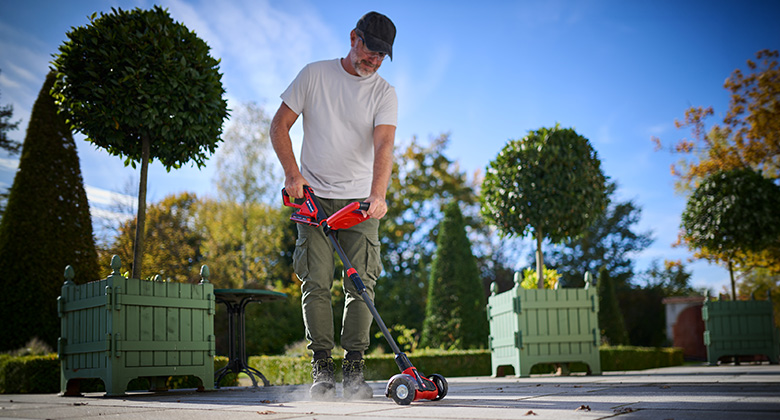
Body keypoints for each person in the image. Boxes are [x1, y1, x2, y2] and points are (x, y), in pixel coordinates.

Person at [270, 11, 397, 400]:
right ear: (353, 38)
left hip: (360, 204)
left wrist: (378, 195)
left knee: (362, 285)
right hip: (315, 198)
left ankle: (354, 370)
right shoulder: (314, 75)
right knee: (316, 281)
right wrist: (293, 176)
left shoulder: (384, 92)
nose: (373, 61)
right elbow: (279, 126)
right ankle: (323, 367)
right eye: (369, 51)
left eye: (381, 56)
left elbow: (383, 145)